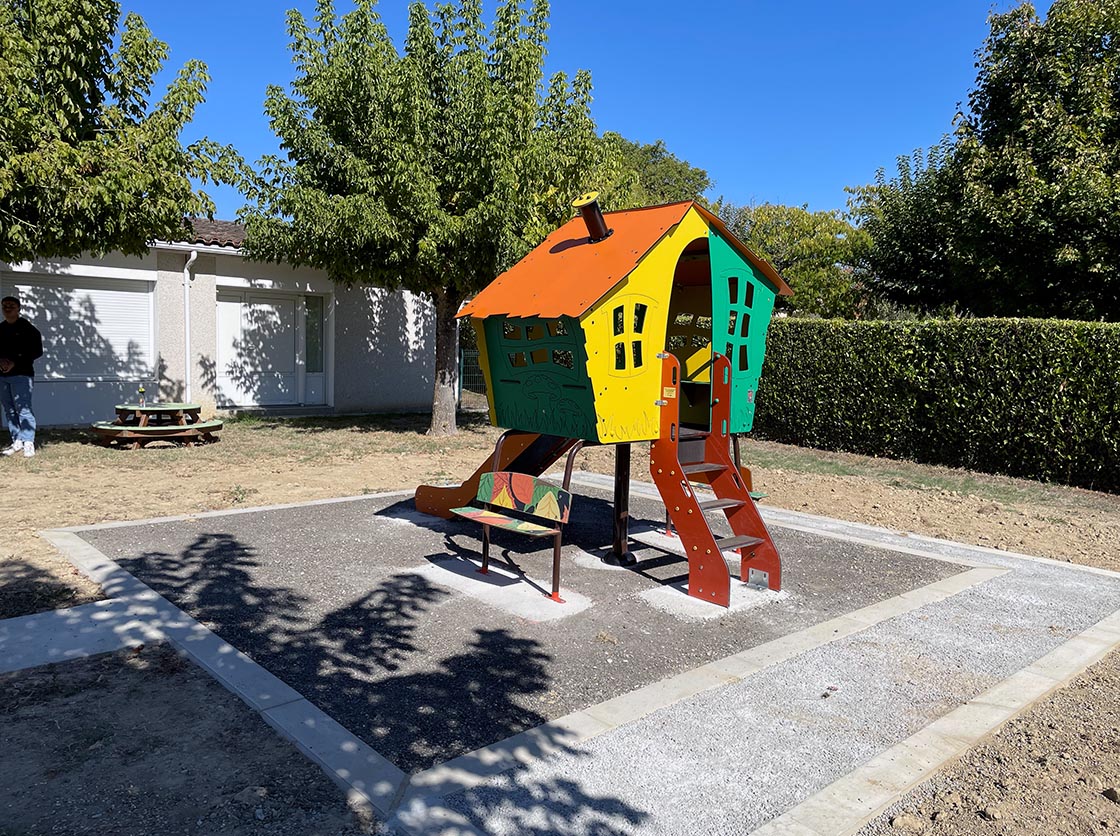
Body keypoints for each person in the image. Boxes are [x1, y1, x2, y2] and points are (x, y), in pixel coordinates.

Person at [0, 296, 43, 457]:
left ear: (19, 308)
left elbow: (37, 351)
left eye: (11, 305)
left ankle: (28, 442)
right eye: (4, 306)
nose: (7, 308)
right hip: (2, 376)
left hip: (22, 375)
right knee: (9, 409)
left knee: (23, 409)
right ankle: (17, 440)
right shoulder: (1, 328)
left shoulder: (28, 329)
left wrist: (15, 362)